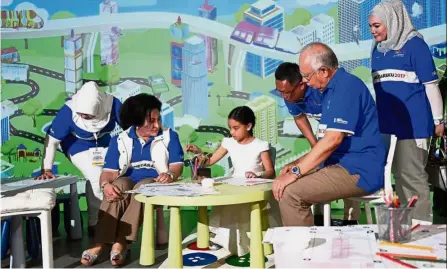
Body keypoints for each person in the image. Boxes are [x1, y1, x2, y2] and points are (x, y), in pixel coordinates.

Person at [273, 42, 386, 226]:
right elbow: (325, 141)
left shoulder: (345, 88)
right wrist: (298, 165)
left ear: (324, 71)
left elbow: (333, 140)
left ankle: (303, 252)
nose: (305, 82)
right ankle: (310, 238)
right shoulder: (329, 89)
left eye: (307, 76)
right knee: (282, 181)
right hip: (338, 163)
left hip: (358, 169)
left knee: (289, 193)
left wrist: (296, 171)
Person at [80, 94, 184, 267]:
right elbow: (109, 172)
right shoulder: (120, 139)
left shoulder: (169, 136)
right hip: (128, 181)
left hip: (155, 181)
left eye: (158, 119)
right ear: (136, 121)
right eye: (151, 121)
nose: (156, 125)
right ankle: (99, 243)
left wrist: (170, 175)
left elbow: (176, 166)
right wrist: (105, 185)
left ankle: (121, 242)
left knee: (143, 188)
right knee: (119, 185)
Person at [369, 0, 444, 225]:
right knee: (398, 177)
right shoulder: (377, 49)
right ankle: (405, 228)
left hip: (414, 126)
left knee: (412, 177)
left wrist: (438, 120)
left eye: (377, 26)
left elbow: (431, 85)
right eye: (371, 26)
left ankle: (423, 232)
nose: (373, 31)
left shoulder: (415, 45)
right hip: (388, 128)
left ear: (392, 21)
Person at [275, 62, 361, 224]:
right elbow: (299, 118)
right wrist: (315, 146)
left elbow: (337, 135)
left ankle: (351, 220)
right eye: (281, 92)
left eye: (287, 92)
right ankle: (318, 220)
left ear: (302, 85)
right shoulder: (289, 95)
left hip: (348, 144)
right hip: (326, 142)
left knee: (343, 173)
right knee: (291, 176)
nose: (285, 97)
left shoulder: (323, 89)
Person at [186, 106, 278, 256]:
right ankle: (226, 240)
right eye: (230, 128)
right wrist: (199, 152)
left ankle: (249, 241)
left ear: (249, 126)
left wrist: (258, 175)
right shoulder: (229, 142)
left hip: (252, 186)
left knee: (247, 208)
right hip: (235, 183)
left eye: (236, 128)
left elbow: (270, 172)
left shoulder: (260, 145)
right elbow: (209, 161)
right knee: (227, 199)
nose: (232, 132)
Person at [36, 81, 122, 234]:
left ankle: (95, 219)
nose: (84, 117)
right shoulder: (68, 111)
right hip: (76, 144)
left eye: (88, 115)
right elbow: (52, 140)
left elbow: (131, 128)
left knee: (113, 175)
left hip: (103, 142)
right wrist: (47, 168)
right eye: (82, 114)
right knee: (96, 175)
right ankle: (103, 221)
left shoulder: (113, 104)